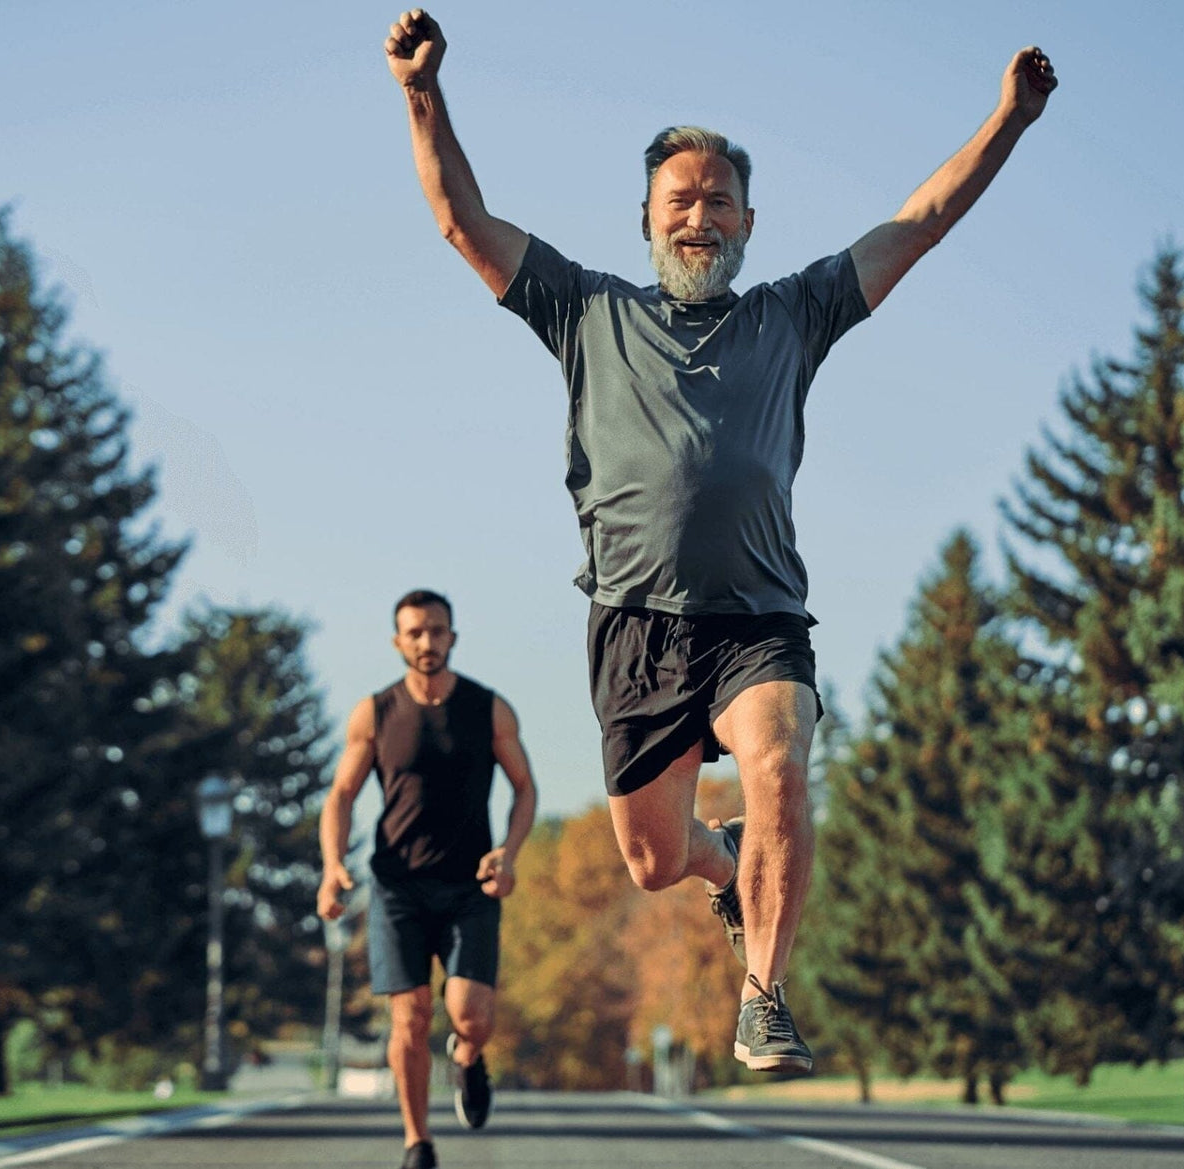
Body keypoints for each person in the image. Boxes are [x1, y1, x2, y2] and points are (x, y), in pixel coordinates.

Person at [383, 8, 1056, 1075]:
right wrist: (422, 90)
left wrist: (1009, 120)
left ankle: (763, 994)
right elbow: (463, 221)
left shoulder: (797, 312)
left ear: (749, 222)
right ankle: (724, 861)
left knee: (781, 760)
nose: (699, 216)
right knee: (654, 859)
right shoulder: (584, 309)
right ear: (647, 219)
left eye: (719, 201)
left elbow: (920, 222)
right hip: (634, 627)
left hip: (759, 619)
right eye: (679, 201)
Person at [319, 589, 538, 1169]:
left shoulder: (489, 709)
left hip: (471, 885)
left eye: (437, 631)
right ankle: (418, 1142)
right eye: (414, 632)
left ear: (453, 638)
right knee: (409, 1014)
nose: (426, 641)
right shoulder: (375, 713)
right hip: (397, 887)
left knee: (473, 1014)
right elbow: (341, 794)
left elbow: (525, 788)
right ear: (398, 642)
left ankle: (468, 1056)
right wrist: (332, 864)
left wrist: (508, 853)